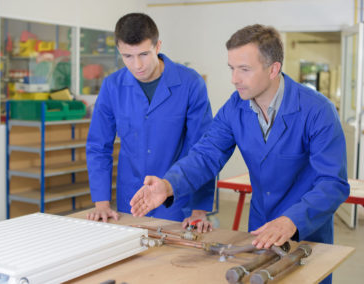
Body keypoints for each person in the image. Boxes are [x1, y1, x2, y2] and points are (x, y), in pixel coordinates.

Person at [130, 24, 350, 283]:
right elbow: (206, 154)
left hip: (306, 229)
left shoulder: (317, 110)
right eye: (231, 68)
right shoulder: (235, 107)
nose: (234, 78)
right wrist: (168, 185)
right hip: (259, 228)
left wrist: (291, 221)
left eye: (244, 69)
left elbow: (332, 183)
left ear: (273, 69)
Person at [86, 13, 215, 232]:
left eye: (144, 54)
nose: (137, 65)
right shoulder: (112, 86)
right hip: (131, 200)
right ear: (119, 51)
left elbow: (203, 150)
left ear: (158, 46)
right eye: (127, 56)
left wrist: (199, 211)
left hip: (177, 200)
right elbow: (98, 147)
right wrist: (101, 204)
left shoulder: (190, 83)